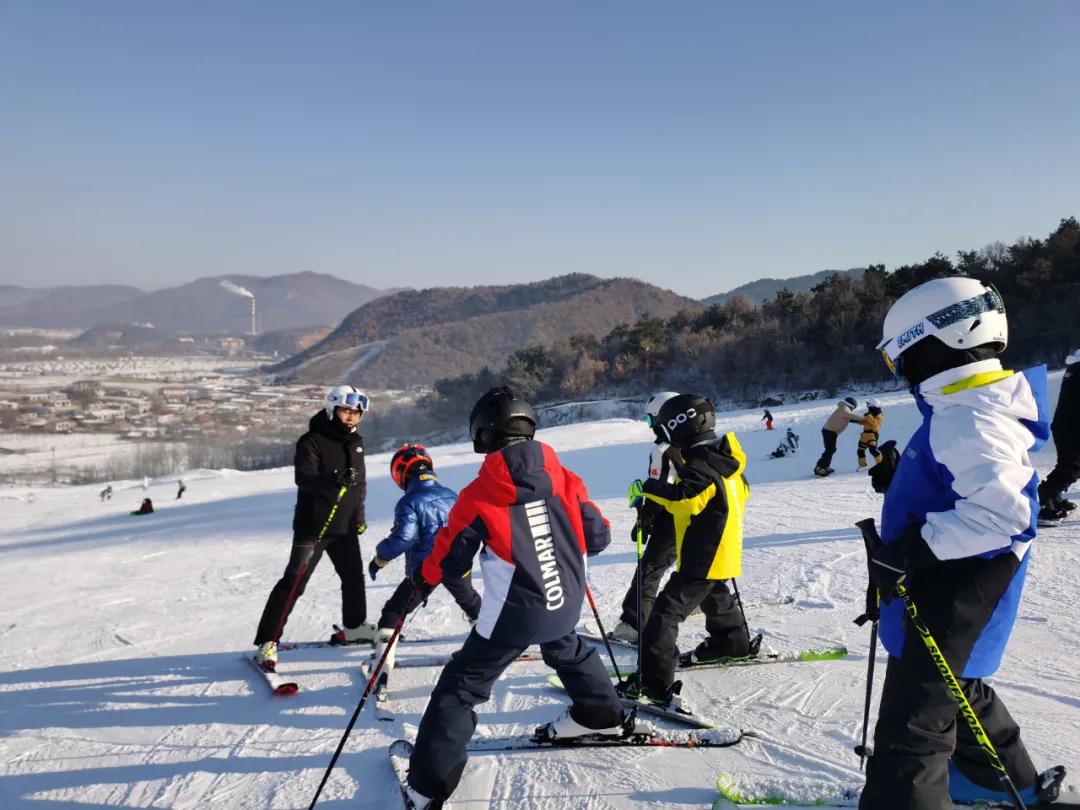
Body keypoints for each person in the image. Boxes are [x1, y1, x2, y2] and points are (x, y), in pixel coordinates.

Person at [859, 277, 1064, 809]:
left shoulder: (968, 415)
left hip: (957, 586)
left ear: (938, 343)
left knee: (915, 717)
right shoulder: (969, 406)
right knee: (958, 682)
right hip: (958, 583)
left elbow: (1006, 513)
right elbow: (970, 481)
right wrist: (906, 475)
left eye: (899, 357)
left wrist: (911, 549)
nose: (900, 372)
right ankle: (997, 779)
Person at [403, 387, 626, 808]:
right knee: (568, 647)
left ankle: (428, 785)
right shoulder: (565, 477)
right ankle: (601, 715)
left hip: (514, 614)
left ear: (484, 436)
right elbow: (598, 536)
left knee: (462, 685)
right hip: (565, 599)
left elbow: (450, 560)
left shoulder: (479, 494)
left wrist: (421, 576)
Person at [621, 393, 753, 709]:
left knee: (664, 617)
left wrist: (647, 489)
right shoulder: (725, 457)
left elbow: (685, 497)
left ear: (680, 426)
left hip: (703, 555)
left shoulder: (701, 464)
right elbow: (737, 494)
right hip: (721, 550)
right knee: (714, 594)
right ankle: (731, 642)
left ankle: (653, 683)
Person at [252, 385, 374, 672]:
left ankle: (355, 626)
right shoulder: (312, 441)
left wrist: (359, 514)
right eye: (346, 411)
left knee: (353, 577)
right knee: (295, 582)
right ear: (332, 408)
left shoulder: (356, 442)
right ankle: (268, 641)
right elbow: (303, 478)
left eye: (356, 413)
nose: (351, 418)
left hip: (344, 526)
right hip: (314, 526)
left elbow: (359, 485)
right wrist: (333, 479)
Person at [367, 443, 481, 680]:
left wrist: (380, 558)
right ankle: (492, 642)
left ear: (400, 474)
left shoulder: (410, 501)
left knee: (395, 610)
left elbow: (403, 538)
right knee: (470, 602)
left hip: (427, 568)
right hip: (456, 563)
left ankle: (382, 665)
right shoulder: (451, 494)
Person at [608, 392, 682, 644]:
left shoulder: (663, 450)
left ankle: (633, 624)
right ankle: (707, 605)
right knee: (696, 566)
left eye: (651, 421)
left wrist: (646, 517)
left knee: (649, 570)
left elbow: (658, 486)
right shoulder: (696, 444)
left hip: (672, 519)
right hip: (700, 517)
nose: (651, 428)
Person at [1037, 348, 1079, 524]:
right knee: (1072, 467)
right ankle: (1042, 500)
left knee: (1068, 465)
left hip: (1066, 425)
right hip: (1073, 426)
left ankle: (1053, 497)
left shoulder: (1075, 367)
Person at [813, 396, 862, 476]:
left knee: (831, 449)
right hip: (829, 432)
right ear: (851, 406)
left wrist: (861, 421)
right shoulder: (844, 409)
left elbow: (850, 419)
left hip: (830, 432)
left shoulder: (843, 409)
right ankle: (819, 469)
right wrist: (866, 418)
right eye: (853, 408)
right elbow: (853, 416)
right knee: (830, 450)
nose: (853, 410)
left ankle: (824, 467)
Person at [856, 399, 885, 470]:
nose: (868, 407)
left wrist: (869, 417)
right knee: (860, 451)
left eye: (869, 405)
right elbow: (863, 422)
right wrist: (858, 419)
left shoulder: (879, 415)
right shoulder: (869, 414)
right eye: (868, 405)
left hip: (872, 435)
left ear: (874, 406)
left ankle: (881, 464)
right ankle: (863, 466)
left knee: (873, 450)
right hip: (864, 435)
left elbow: (876, 427)